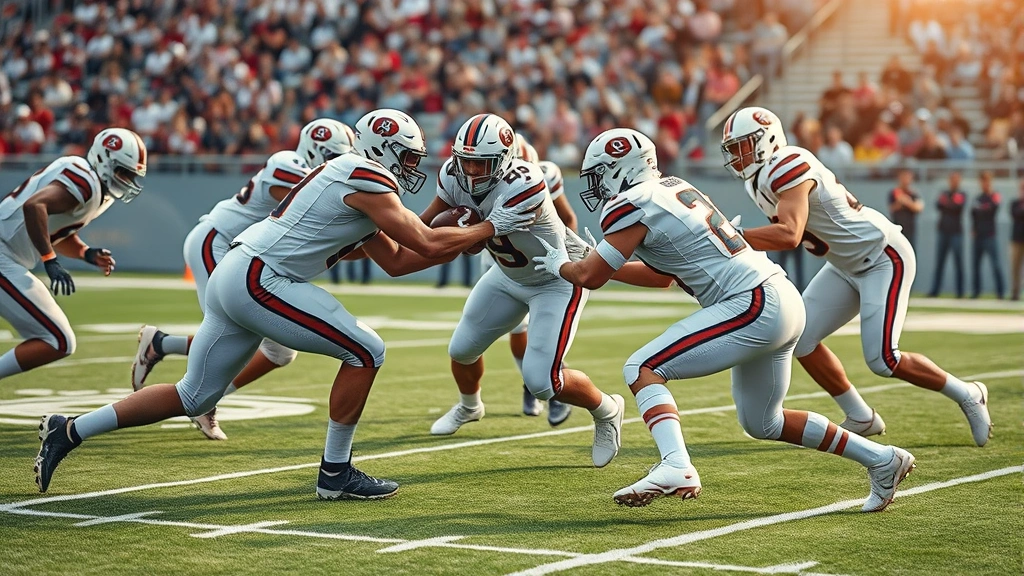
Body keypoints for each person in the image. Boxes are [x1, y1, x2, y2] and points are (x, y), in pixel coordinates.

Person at [33, 109, 536, 497]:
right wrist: (489, 228)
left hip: (239, 272)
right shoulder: (367, 176)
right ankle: (335, 473)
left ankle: (70, 430)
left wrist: (464, 236)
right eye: (405, 157)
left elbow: (401, 261)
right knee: (367, 351)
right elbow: (425, 242)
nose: (411, 167)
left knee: (194, 396)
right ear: (382, 150)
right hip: (261, 278)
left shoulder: (353, 176)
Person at [533, 128, 914, 511]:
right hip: (777, 297)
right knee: (764, 422)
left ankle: (676, 465)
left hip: (753, 302)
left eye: (600, 174)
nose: (597, 185)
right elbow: (661, 278)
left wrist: (562, 264)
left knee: (642, 368)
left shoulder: (633, 202)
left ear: (622, 168)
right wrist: (589, 262)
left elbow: (589, 277)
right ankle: (883, 459)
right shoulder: (672, 188)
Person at [720, 106, 991, 447]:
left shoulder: (786, 164)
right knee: (800, 338)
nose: (737, 156)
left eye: (742, 146)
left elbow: (789, 234)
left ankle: (967, 393)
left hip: (882, 256)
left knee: (883, 359)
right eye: (732, 149)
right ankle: (861, 415)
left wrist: (734, 236)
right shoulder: (757, 181)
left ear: (767, 140)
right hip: (843, 265)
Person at [421, 113, 625, 468]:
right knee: (461, 350)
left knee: (542, 381)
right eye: (466, 160)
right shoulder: (452, 174)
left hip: (556, 279)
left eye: (482, 162)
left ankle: (607, 409)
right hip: (507, 275)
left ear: (504, 160)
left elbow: (480, 233)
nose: (471, 170)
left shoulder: (525, 181)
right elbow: (426, 222)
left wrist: (456, 234)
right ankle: (470, 407)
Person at [130, 119, 354, 440]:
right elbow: (317, 207)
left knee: (280, 352)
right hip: (217, 242)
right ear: (315, 150)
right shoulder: (287, 163)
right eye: (334, 156)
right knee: (236, 333)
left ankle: (169, 351)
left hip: (242, 256)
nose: (339, 164)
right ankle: (199, 395)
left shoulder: (313, 174)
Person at [0, 128, 146, 381]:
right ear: (104, 160)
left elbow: (55, 229)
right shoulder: (85, 180)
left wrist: (85, 253)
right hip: (4, 254)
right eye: (123, 172)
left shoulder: (97, 190)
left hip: (8, 256)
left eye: (131, 175)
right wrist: (49, 260)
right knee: (58, 339)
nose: (127, 180)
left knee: (60, 340)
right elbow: (35, 207)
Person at [503, 135, 575, 424]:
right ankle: (527, 383)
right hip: (501, 259)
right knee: (515, 330)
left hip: (543, 259)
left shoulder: (544, 174)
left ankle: (548, 386)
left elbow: (567, 217)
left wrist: (565, 254)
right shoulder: (481, 178)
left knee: (542, 332)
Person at [928, 172, 966, 298]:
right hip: (943, 231)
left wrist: (947, 204)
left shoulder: (962, 194)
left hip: (956, 232)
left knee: (958, 262)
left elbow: (957, 207)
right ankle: (935, 290)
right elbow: (938, 205)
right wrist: (950, 204)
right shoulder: (944, 193)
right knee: (939, 262)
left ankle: (960, 292)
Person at [970, 172, 1005, 299]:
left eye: (987, 181)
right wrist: (974, 229)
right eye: (982, 181)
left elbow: (992, 209)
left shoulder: (995, 196)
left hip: (990, 235)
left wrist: (982, 208)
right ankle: (976, 291)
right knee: (975, 265)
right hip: (978, 235)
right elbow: (973, 213)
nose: (985, 184)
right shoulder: (977, 198)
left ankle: (1000, 292)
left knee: (995, 264)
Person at [888, 169, 924, 248]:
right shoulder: (894, 192)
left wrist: (907, 202)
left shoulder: (914, 193)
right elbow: (891, 208)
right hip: (897, 228)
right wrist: (900, 202)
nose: (906, 180)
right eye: (903, 178)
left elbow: (919, 208)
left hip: (910, 228)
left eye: (908, 178)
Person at [1010, 181, 1024, 301]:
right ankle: (1015, 293)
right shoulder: (1015, 203)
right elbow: (1015, 214)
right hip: (1016, 239)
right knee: (1015, 268)